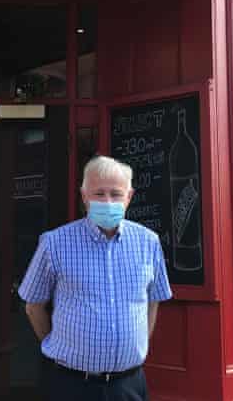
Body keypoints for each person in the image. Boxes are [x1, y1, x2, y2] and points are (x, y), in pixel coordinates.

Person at [18, 155, 172, 401]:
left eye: (116, 194)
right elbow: (33, 306)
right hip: (71, 384)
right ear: (84, 197)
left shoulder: (148, 242)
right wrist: (56, 344)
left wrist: (137, 345)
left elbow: (153, 299)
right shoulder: (55, 243)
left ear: (129, 197)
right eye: (99, 194)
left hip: (128, 385)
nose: (108, 201)